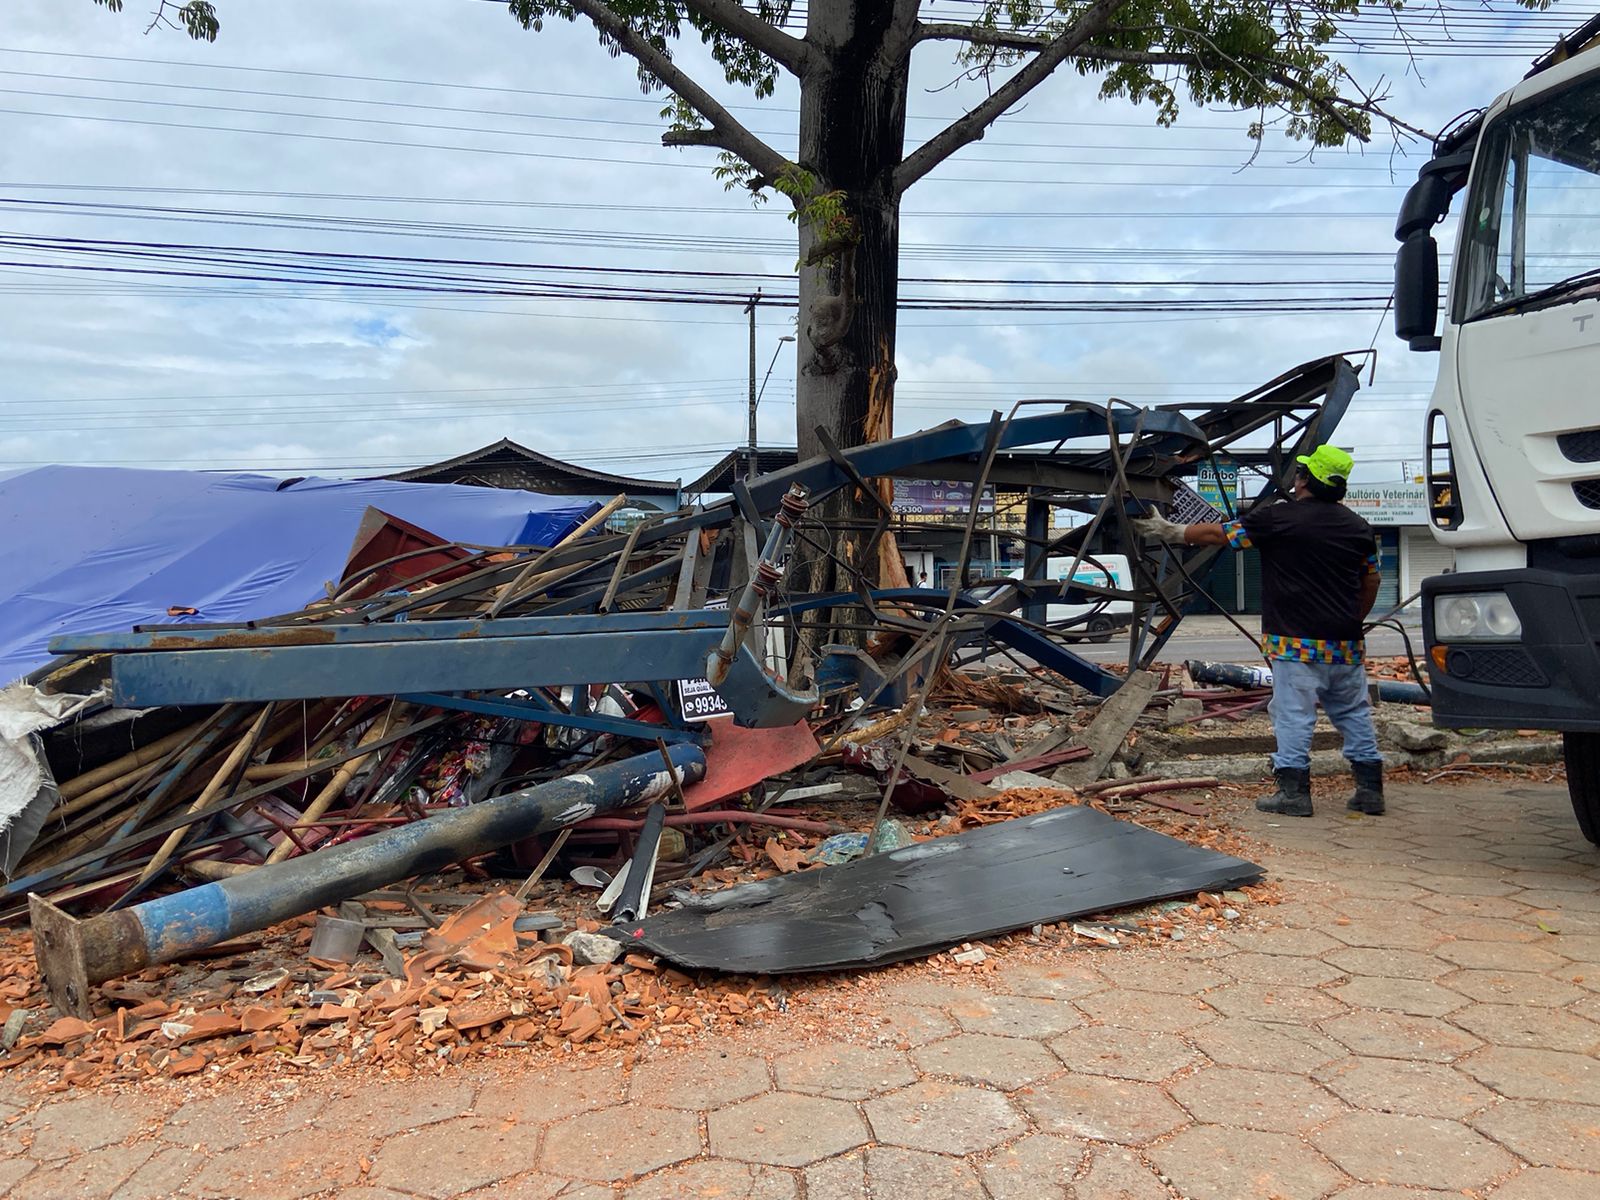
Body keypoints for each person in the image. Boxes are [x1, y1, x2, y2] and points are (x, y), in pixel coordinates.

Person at [1134, 445, 1384, 818]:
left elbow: (1220, 534)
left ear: (1304, 480)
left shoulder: (1279, 519)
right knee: (1353, 712)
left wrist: (1172, 531)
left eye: (1299, 473)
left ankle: (1293, 794)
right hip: (1345, 644)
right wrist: (1352, 619)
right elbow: (1372, 580)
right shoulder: (1358, 527)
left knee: (1293, 715)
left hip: (1294, 644)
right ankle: (1370, 791)